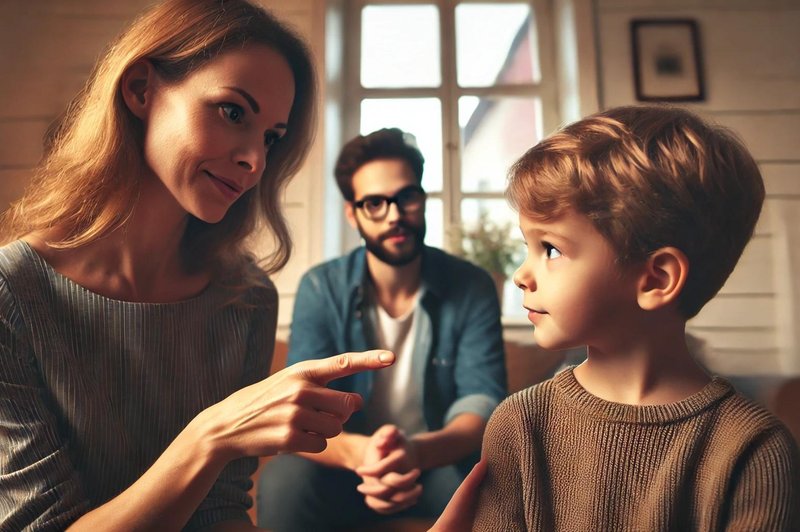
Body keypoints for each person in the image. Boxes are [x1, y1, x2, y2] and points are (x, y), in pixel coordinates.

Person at [0, 1, 397, 530]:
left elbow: (222, 511)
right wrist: (210, 438)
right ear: (141, 89)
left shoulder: (247, 297)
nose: (255, 159)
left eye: (271, 137)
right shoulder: (13, 294)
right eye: (233, 112)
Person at [472, 105, 800, 530]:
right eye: (527, 247)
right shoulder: (518, 424)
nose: (520, 275)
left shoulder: (753, 450)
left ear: (655, 278)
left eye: (550, 249)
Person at [257, 128, 507, 530]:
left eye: (406, 197)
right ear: (352, 214)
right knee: (285, 480)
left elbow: (482, 404)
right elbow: (301, 408)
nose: (394, 215)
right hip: (345, 464)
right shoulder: (322, 288)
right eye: (374, 203)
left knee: (493, 484)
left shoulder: (472, 285)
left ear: (422, 200)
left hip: (434, 461)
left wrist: (414, 453)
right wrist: (364, 455)